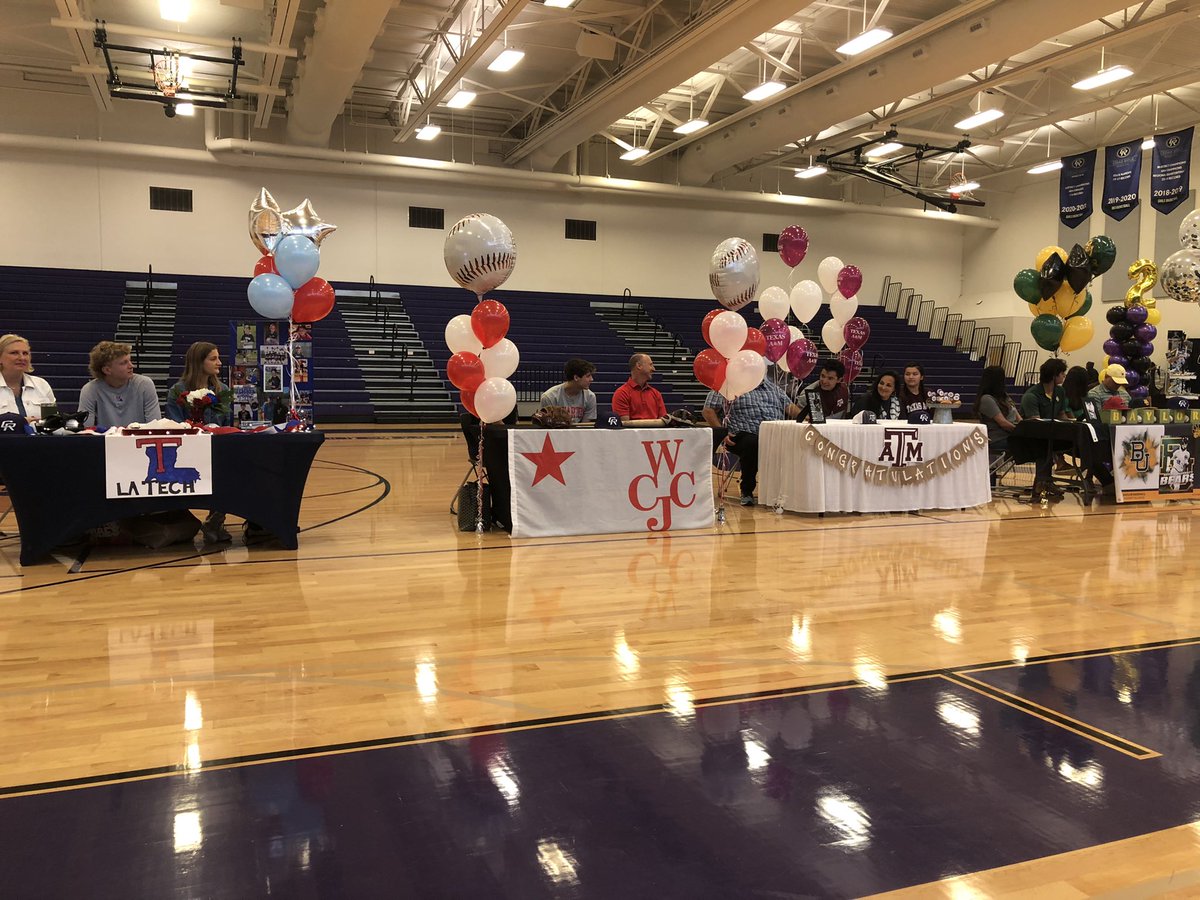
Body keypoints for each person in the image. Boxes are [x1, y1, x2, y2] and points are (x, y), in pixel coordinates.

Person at [166, 342, 233, 543]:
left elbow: (228, 424)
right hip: (187, 450)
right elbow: (174, 424)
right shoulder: (178, 391)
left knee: (228, 470)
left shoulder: (223, 390)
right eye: (213, 359)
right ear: (198, 362)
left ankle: (216, 520)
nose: (219, 363)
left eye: (218, 357)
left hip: (217, 449)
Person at [703, 380, 800, 506]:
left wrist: (806, 416)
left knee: (798, 441)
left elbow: (790, 407)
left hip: (775, 434)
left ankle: (792, 490)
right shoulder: (727, 385)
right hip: (740, 435)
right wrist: (722, 433)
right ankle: (747, 490)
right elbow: (708, 411)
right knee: (752, 443)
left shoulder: (773, 388)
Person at [77, 341, 161, 428]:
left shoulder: (144, 385)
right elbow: (86, 430)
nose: (131, 366)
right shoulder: (90, 390)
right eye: (124, 363)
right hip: (105, 440)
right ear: (107, 370)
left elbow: (155, 426)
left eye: (130, 360)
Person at [1062, 366, 1114, 491]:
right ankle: (1106, 482)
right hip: (1074, 435)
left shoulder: (1087, 397)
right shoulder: (1065, 397)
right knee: (1093, 448)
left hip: (1090, 433)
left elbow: (1093, 417)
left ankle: (1101, 479)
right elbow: (1070, 419)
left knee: (1100, 444)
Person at [0, 333, 55, 422]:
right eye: (14, 353)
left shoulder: (42, 385)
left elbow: (52, 422)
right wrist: (20, 422)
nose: (22, 357)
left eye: (25, 353)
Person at [973, 365, 1019, 454]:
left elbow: (1018, 417)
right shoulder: (986, 399)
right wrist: (1020, 431)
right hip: (998, 438)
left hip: (1012, 435)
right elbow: (1003, 423)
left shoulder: (1005, 397)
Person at [538, 358, 597, 424]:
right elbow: (547, 426)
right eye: (588, 376)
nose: (591, 379)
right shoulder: (549, 397)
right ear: (576, 378)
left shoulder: (590, 397)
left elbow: (585, 426)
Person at [612, 353, 667, 423]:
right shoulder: (622, 393)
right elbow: (624, 425)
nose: (653, 369)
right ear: (639, 366)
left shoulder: (656, 394)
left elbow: (664, 421)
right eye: (650, 365)